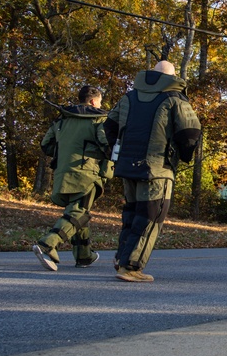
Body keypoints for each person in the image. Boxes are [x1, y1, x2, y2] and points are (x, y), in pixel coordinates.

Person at [104, 60, 201, 282]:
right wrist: (183, 156)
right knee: (150, 217)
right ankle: (131, 267)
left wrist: (119, 150)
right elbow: (190, 132)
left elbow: (109, 126)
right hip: (157, 169)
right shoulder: (174, 98)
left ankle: (122, 258)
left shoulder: (128, 97)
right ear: (172, 77)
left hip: (127, 167)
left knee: (131, 215)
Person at [32, 85, 113, 271]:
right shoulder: (99, 120)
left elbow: (46, 145)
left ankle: (84, 256)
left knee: (77, 212)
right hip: (87, 173)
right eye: (100, 101)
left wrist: (66, 154)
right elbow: (106, 145)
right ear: (93, 101)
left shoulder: (61, 120)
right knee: (79, 212)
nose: (101, 104)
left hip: (63, 172)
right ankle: (47, 244)